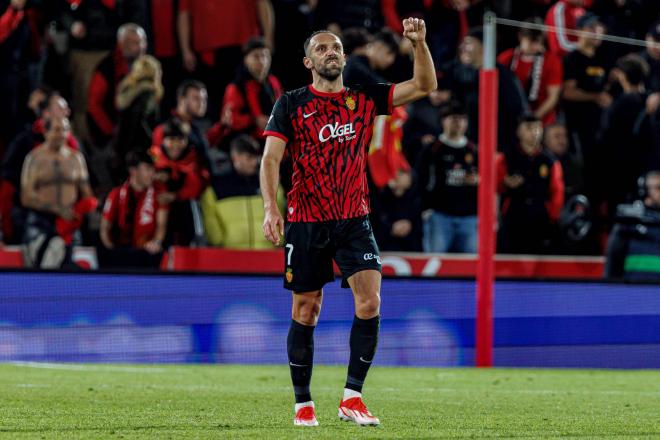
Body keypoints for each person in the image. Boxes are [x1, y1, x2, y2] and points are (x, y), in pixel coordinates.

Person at [260, 17, 436, 427]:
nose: (331, 52)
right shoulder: (290, 103)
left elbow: (424, 85)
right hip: (305, 219)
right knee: (306, 310)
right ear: (308, 61)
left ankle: (352, 397)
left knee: (371, 300)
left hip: (354, 219)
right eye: (321, 48)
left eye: (335, 46)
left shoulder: (364, 100)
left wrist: (419, 44)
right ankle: (303, 403)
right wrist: (272, 207)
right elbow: (271, 159)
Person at [1, 93, 79, 244]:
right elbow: (8, 182)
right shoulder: (26, 142)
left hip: (67, 219)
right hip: (32, 218)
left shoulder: (73, 146)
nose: (67, 112)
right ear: (46, 113)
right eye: (61, 108)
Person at [20, 116, 96, 268]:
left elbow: (87, 193)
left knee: (69, 276)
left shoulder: (76, 158)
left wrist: (84, 209)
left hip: (69, 224)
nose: (62, 134)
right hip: (41, 224)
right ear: (45, 132)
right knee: (43, 273)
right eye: (57, 130)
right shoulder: (34, 158)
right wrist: (57, 209)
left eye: (65, 129)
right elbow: (26, 197)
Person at [496, 115, 565, 254]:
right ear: (518, 131)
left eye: (537, 128)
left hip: (540, 218)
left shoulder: (550, 161)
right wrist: (505, 183)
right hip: (513, 216)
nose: (534, 132)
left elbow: (557, 191)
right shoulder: (507, 157)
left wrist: (552, 216)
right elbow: (495, 185)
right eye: (528, 128)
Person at [415, 101, 478, 253]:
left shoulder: (475, 150)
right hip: (439, 216)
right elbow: (420, 180)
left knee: (471, 268)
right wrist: (426, 209)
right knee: (435, 265)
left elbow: (486, 182)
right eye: (453, 118)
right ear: (443, 121)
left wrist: (477, 181)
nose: (458, 122)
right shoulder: (432, 149)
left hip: (469, 217)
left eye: (462, 118)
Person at [201, 135, 283, 249]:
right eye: (249, 157)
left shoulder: (270, 184)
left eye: (256, 157)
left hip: (267, 256)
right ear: (235, 157)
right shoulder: (217, 188)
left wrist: (279, 241)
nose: (254, 162)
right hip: (230, 257)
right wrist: (219, 243)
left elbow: (279, 215)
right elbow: (212, 226)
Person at [561, 12, 610, 199]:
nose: (596, 32)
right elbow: (568, 92)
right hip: (579, 126)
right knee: (584, 172)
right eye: (591, 28)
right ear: (579, 31)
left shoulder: (602, 57)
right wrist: (595, 97)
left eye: (599, 28)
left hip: (599, 126)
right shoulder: (573, 58)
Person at [208, 37, 283, 149]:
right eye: (256, 56)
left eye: (265, 56)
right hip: (246, 143)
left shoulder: (273, 81)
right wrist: (253, 120)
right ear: (246, 60)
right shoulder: (236, 87)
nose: (262, 61)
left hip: (272, 138)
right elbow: (230, 120)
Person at [99, 151, 167, 269]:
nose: (153, 174)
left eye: (153, 169)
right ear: (133, 171)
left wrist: (156, 242)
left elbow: (162, 225)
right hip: (121, 253)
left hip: (146, 254)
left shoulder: (159, 194)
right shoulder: (116, 194)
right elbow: (104, 229)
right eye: (148, 169)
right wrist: (112, 251)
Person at [87, 23, 148, 148]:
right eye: (135, 43)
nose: (141, 47)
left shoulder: (148, 67)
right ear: (122, 44)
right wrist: (112, 131)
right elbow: (94, 105)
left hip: (139, 133)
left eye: (142, 42)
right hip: (111, 136)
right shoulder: (106, 68)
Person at [150, 121, 208, 246]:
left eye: (180, 139)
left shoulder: (193, 156)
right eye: (171, 139)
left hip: (185, 205)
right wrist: (154, 177)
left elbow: (196, 186)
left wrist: (175, 195)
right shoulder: (154, 155)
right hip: (159, 207)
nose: (176, 145)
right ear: (163, 141)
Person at [498, 19, 563, 125]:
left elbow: (553, 97)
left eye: (538, 41)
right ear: (520, 37)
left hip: (542, 120)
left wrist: (532, 119)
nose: (535, 46)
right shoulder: (506, 58)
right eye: (531, 41)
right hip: (511, 118)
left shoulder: (551, 60)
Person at [113, 54, 163, 180]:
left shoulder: (128, 94)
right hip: (139, 154)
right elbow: (142, 126)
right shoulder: (148, 96)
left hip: (123, 151)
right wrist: (154, 152)